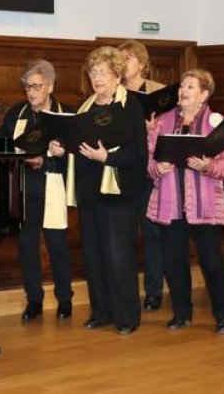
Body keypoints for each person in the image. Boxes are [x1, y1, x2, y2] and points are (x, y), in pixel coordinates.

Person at [49, 46, 147, 335]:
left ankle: (127, 316)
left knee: (119, 256)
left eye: (103, 72)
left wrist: (108, 158)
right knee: (94, 255)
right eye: (93, 73)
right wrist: (59, 147)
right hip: (89, 190)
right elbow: (77, 143)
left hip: (119, 191)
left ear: (117, 75)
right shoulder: (86, 106)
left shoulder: (130, 106)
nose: (97, 78)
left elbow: (138, 152)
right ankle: (101, 312)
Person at [147, 69, 224, 334]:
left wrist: (208, 165)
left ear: (204, 94)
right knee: (173, 263)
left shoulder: (216, 122)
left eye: (190, 87)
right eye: (182, 87)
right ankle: (181, 314)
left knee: (212, 263)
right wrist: (157, 168)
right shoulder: (163, 121)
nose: (183, 91)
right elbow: (148, 160)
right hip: (171, 205)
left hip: (204, 207)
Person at [0, 60, 74, 322]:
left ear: (50, 87)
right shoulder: (18, 113)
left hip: (54, 187)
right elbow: (1, 141)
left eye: (37, 86)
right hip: (25, 189)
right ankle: (34, 300)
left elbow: (75, 155)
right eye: (28, 87)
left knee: (57, 245)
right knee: (27, 246)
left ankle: (64, 299)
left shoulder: (66, 115)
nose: (31, 92)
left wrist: (49, 159)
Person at [117, 39, 167, 312]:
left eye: (129, 57)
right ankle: (125, 290)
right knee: (124, 235)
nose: (124, 62)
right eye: (120, 58)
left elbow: (172, 130)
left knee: (151, 234)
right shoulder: (114, 93)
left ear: (142, 63)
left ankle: (154, 291)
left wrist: (151, 129)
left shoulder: (158, 92)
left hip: (150, 173)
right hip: (122, 171)